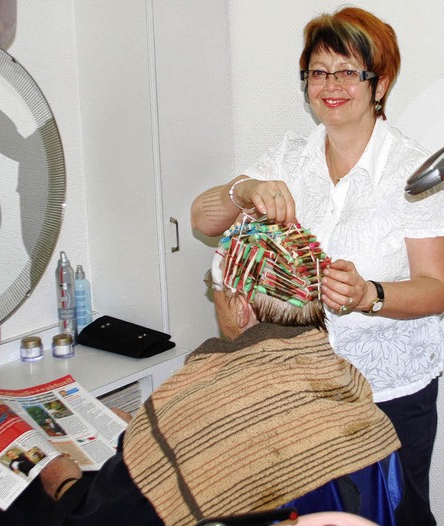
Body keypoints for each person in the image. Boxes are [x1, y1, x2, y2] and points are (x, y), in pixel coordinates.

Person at [0, 219, 411, 526]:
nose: (211, 297)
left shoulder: (192, 400)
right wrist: (147, 433)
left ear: (238, 304)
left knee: (7, 501)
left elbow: (98, 519)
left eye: (212, 287)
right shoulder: (345, 384)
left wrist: (57, 474)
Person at [190, 8, 444, 523]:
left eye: (349, 71)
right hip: (294, 389)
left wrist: (369, 294)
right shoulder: (288, 157)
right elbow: (202, 216)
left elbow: (437, 288)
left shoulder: (409, 171)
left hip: (387, 395)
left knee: (394, 511)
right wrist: (246, 190)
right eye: (319, 71)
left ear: (380, 84)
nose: (332, 85)